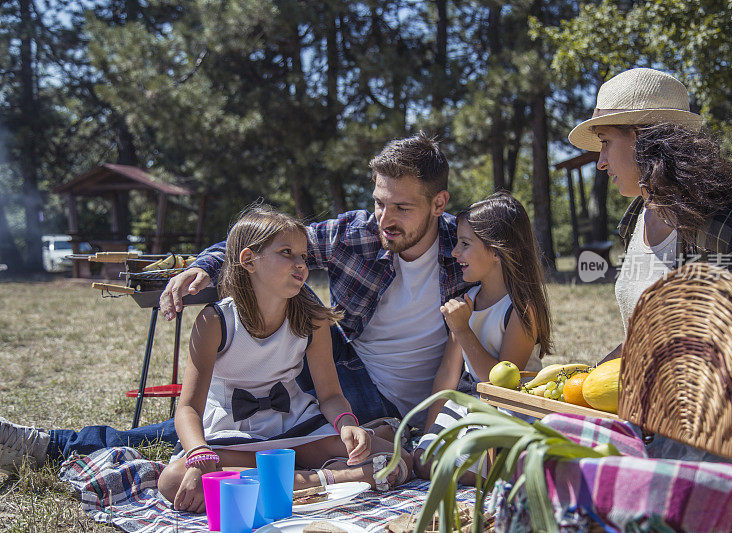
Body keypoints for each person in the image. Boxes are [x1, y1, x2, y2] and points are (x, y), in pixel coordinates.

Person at [0, 132, 470, 470]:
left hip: (424, 400)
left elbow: (514, 313)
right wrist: (205, 266)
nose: (383, 218)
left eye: (401, 208)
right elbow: (265, 242)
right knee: (278, 278)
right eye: (378, 202)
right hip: (348, 375)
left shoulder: (467, 249)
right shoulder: (354, 235)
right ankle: (53, 445)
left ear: (439, 203)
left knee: (256, 427)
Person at [157, 206, 411, 512]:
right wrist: (199, 454)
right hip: (232, 432)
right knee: (173, 480)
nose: (301, 264)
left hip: (294, 425)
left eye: (303, 256)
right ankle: (332, 477)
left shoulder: (313, 320)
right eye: (287, 252)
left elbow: (330, 395)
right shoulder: (215, 322)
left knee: (400, 457)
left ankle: (299, 478)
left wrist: (346, 424)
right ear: (249, 260)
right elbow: (187, 408)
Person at [568, 67, 732, 389]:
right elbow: (647, 336)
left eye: (606, 142)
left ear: (639, 138)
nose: (601, 162)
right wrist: (591, 377)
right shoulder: (634, 223)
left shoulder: (727, 233)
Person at [413, 192, 552, 481]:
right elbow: (448, 375)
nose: (455, 253)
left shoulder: (522, 309)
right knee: (424, 463)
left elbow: (503, 383)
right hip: (469, 403)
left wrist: (462, 329)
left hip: (513, 406)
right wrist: (427, 434)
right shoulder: (468, 301)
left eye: (465, 244)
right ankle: (496, 472)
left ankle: (514, 473)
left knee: (466, 465)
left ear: (497, 251)